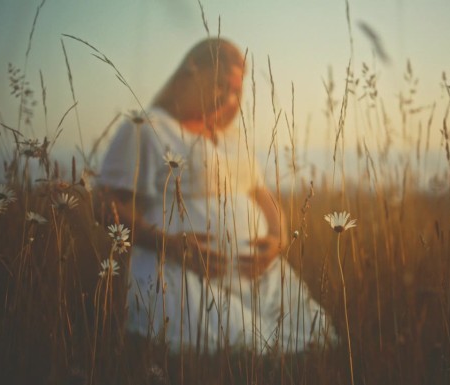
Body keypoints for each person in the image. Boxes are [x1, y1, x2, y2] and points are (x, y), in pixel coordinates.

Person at [97, 38, 336, 354]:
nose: (230, 97)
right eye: (222, 85)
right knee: (246, 351)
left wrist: (277, 239)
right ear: (192, 72)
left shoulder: (231, 137)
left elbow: (262, 196)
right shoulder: (145, 127)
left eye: (237, 90)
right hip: (181, 276)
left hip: (260, 275)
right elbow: (104, 205)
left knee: (318, 342)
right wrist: (171, 245)